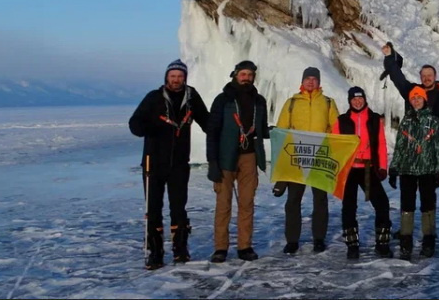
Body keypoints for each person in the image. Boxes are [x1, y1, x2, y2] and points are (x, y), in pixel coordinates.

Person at [129, 59, 209, 269]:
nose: (176, 80)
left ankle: (180, 250)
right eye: (173, 76)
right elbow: (134, 123)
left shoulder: (191, 97)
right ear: (167, 77)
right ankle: (155, 252)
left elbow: (207, 121)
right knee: (153, 208)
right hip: (153, 163)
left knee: (178, 208)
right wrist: (147, 128)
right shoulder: (153, 97)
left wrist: (223, 135)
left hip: (179, 163)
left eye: (180, 76)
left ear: (185, 78)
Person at [206, 60, 270, 262]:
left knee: (247, 203)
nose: (247, 78)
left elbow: (263, 128)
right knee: (223, 204)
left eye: (250, 75)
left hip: (249, 156)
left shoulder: (259, 100)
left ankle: (245, 246)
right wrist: (212, 162)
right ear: (235, 75)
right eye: (243, 74)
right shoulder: (222, 100)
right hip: (225, 156)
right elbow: (212, 132)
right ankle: (220, 248)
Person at [271, 66, 337, 254]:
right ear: (302, 81)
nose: (310, 82)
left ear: (319, 82)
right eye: (307, 78)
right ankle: (292, 240)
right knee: (293, 201)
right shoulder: (291, 103)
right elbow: (281, 129)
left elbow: (335, 128)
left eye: (313, 79)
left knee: (320, 200)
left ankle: (319, 238)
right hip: (297, 157)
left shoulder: (328, 103)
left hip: (320, 157)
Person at [331, 86, 393, 259]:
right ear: (350, 101)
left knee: (382, 204)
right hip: (349, 169)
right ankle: (352, 245)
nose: (357, 101)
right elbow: (334, 146)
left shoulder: (374, 119)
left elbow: (381, 144)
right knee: (349, 207)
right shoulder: (342, 121)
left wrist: (382, 166)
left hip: (368, 168)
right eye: (354, 99)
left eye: (360, 98)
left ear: (364, 99)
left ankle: (382, 244)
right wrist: (336, 170)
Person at [389, 86, 439, 260]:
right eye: (413, 98)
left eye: (419, 98)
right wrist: (394, 168)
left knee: (428, 205)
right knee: (407, 206)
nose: (416, 101)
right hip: (407, 171)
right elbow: (399, 146)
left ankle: (429, 241)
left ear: (424, 100)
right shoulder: (406, 121)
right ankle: (406, 242)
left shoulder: (433, 121)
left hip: (427, 170)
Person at [381, 43, 439, 146]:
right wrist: (389, 57)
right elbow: (398, 78)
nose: (426, 78)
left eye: (429, 75)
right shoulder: (412, 91)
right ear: (420, 77)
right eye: (424, 76)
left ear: (435, 76)